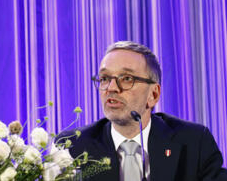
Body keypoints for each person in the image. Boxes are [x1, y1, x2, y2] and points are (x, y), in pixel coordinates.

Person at [57, 41, 227, 181]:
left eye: (127, 78)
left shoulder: (194, 142)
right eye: (105, 79)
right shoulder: (72, 146)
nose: (111, 88)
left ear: (153, 94)